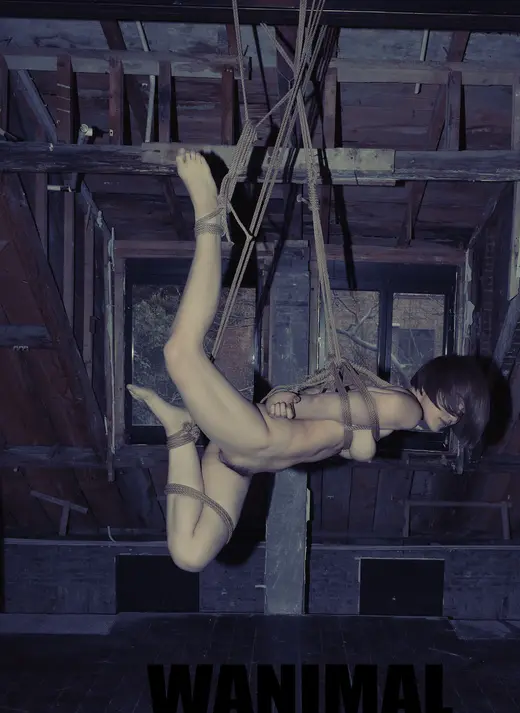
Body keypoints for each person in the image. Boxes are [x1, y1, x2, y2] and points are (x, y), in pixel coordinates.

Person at [128, 150, 490, 572]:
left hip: (244, 460)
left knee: (189, 555)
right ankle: (208, 213)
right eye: (457, 405)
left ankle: (179, 431)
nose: (454, 417)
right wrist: (289, 403)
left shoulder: (390, 408)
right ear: (438, 382)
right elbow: (326, 407)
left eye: (460, 417)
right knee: (179, 351)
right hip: (254, 441)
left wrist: (306, 412)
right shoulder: (405, 408)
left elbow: (334, 423)